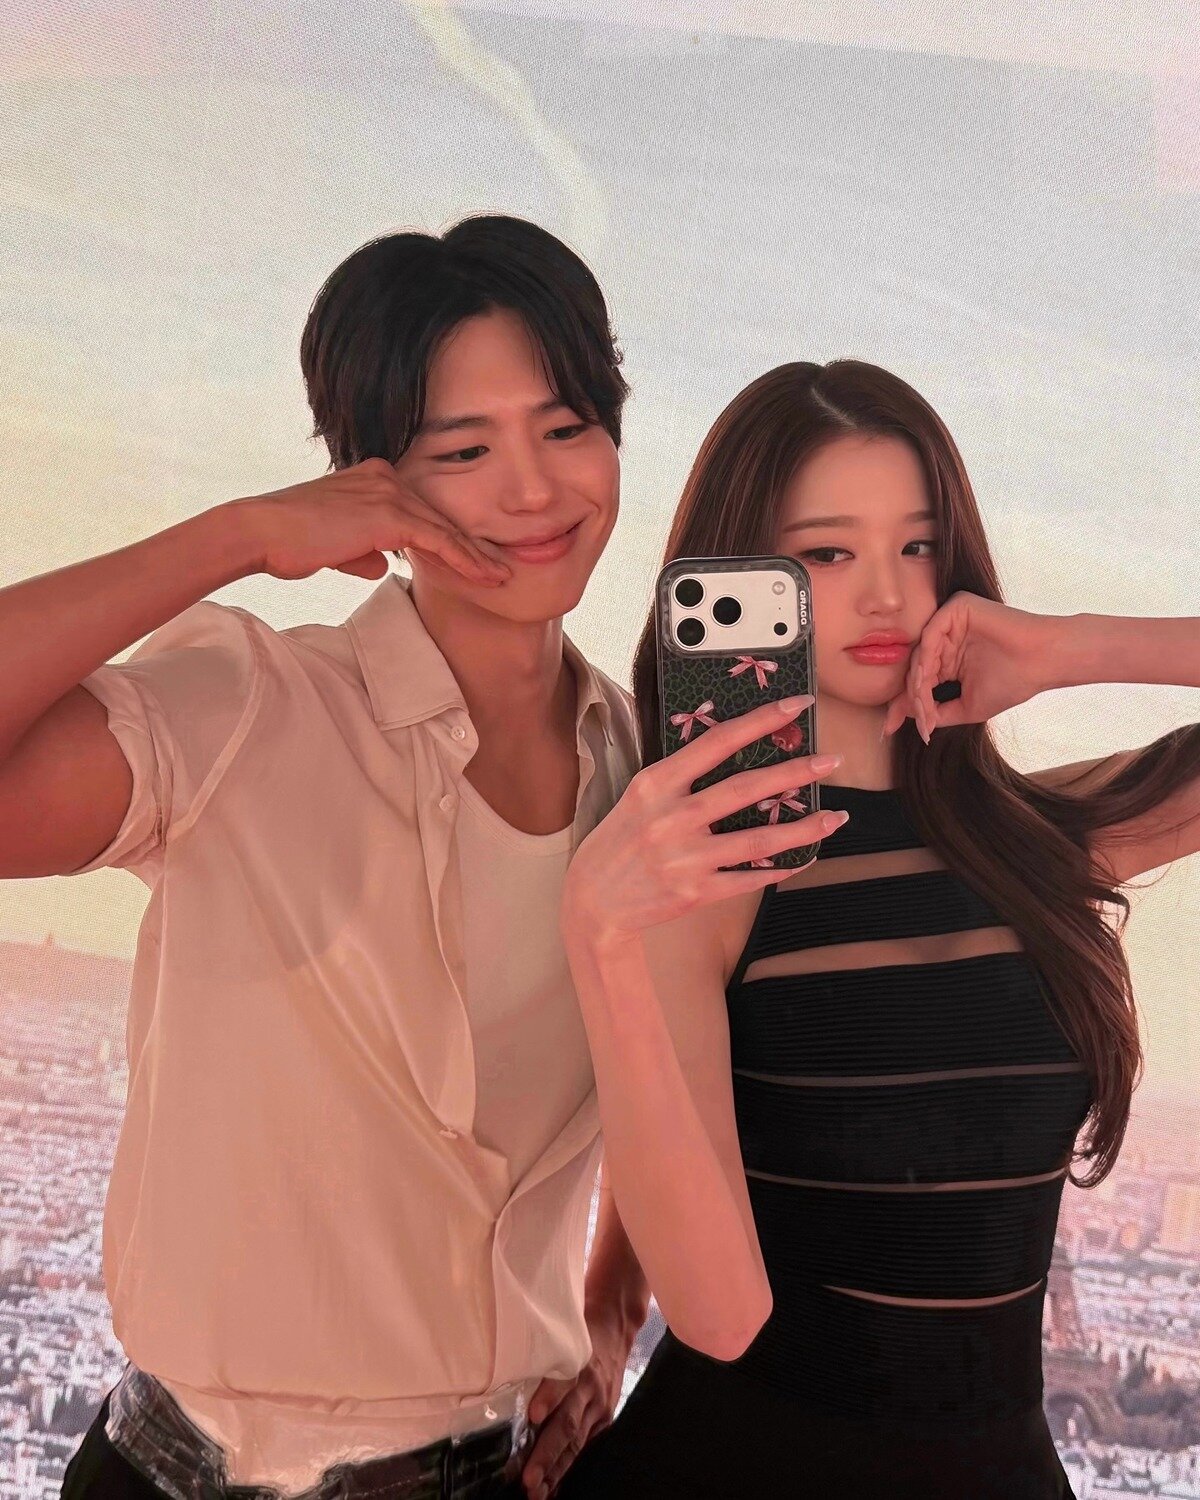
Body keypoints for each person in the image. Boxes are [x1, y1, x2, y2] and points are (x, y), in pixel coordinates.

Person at [0, 217, 843, 1500]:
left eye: (566, 427)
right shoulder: (248, 708)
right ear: (370, 483)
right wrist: (239, 534)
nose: (534, 489)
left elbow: (668, 1081)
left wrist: (608, 1308)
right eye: (463, 450)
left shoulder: (648, 783)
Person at [550, 360, 1200, 1499]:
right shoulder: (695, 889)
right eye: (827, 555)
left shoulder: (1045, 843)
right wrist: (601, 939)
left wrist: (1070, 649)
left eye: (918, 545)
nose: (889, 596)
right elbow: (720, 1315)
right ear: (737, 573)